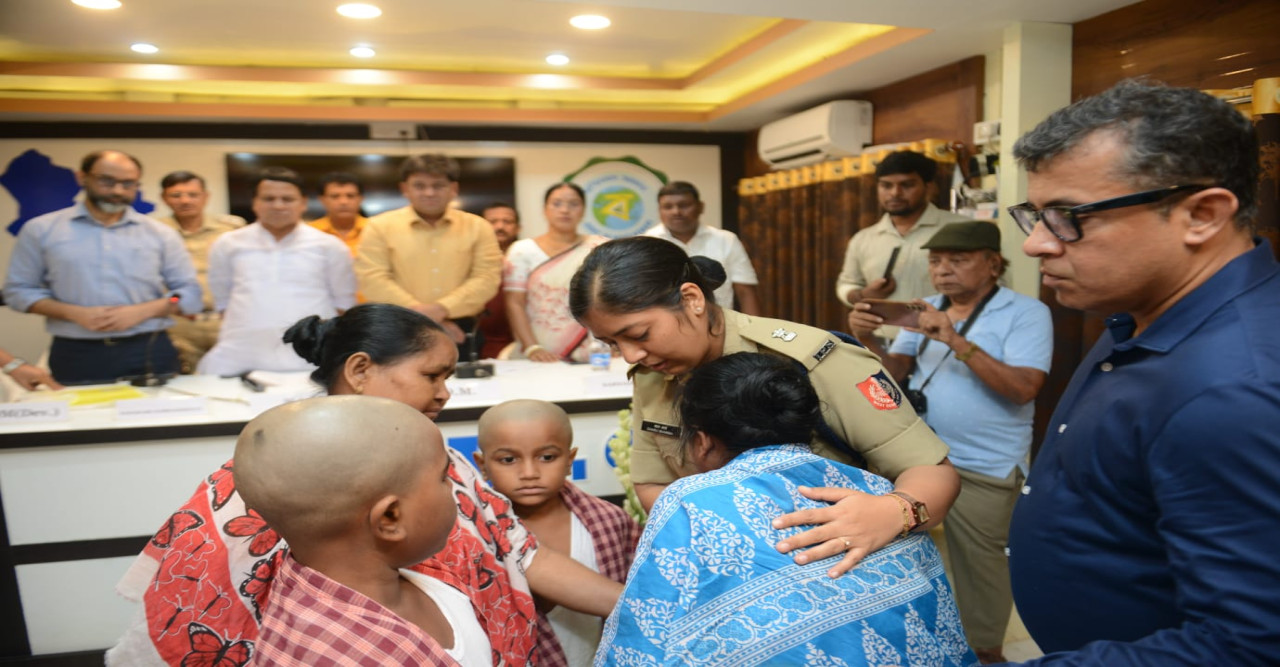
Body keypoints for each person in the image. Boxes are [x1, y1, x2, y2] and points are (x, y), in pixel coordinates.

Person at [108, 304, 621, 667]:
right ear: (359, 369)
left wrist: (636, 603)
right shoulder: (281, 471)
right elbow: (200, 611)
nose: (445, 393)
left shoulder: (434, 453)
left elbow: (517, 551)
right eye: (432, 375)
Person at [1005, 79, 1280, 664]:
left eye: (1068, 217)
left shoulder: (1233, 390)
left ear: (1201, 215)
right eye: (1036, 215)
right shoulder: (1142, 313)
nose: (1036, 246)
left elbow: (1250, 645)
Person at [570, 235, 959, 577]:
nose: (629, 354)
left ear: (691, 300)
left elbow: (932, 472)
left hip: (841, 570)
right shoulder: (653, 371)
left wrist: (893, 513)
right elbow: (654, 482)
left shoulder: (810, 361)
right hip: (729, 577)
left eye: (638, 334)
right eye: (612, 344)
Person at [597, 352, 977, 666]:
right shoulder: (879, 494)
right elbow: (941, 625)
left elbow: (641, 639)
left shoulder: (691, 499)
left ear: (701, 440)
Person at [849, 221, 1052, 664]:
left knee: (983, 572)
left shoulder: (1026, 312)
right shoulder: (925, 307)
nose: (943, 271)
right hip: (921, 460)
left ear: (993, 264)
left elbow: (1024, 389)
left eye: (958, 260)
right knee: (910, 559)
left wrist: (954, 339)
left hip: (987, 462)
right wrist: (864, 338)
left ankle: (986, 653)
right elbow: (894, 376)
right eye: (936, 261)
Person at [237, 396, 474, 665]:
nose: (454, 487)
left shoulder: (420, 578)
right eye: (443, 477)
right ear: (390, 517)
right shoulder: (337, 656)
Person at [2, 150, 202, 384]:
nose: (118, 190)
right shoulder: (41, 230)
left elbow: (188, 294)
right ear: (82, 177)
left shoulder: (160, 234)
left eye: (128, 184)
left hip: (149, 348)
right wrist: (72, 312)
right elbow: (18, 292)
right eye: (107, 181)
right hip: (76, 352)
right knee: (80, 419)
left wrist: (144, 310)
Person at [474, 399, 642, 666]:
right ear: (482, 465)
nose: (529, 473)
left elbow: (641, 596)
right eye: (508, 459)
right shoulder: (475, 540)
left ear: (570, 460)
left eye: (547, 457)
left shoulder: (609, 521)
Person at [197, 167, 356, 376]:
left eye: (287, 199)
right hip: (242, 355)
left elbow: (343, 304)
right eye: (269, 198)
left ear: (303, 203)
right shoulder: (228, 244)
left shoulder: (329, 246)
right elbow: (223, 301)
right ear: (255, 202)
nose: (278, 205)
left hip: (309, 357)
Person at [356, 154, 503, 356]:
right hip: (397, 329)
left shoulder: (478, 227)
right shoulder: (378, 227)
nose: (429, 192)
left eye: (438, 185)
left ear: (454, 189)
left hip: (461, 331)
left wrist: (441, 310)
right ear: (404, 189)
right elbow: (372, 278)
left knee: (467, 388)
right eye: (419, 185)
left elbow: (487, 278)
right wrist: (428, 319)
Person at [835, 150, 973, 340]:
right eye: (886, 185)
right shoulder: (863, 238)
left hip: (944, 341)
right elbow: (846, 283)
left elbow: (991, 286)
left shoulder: (962, 229)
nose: (895, 193)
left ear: (928, 186)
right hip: (881, 345)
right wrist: (861, 295)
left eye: (907, 185)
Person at [504, 183, 608, 362]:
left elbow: (611, 299)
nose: (565, 210)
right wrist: (532, 347)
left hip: (593, 348)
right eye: (557, 204)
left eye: (573, 204)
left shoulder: (599, 247)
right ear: (545, 210)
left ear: (583, 210)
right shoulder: (522, 250)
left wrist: (613, 341)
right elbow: (515, 303)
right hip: (539, 350)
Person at [157, 170, 247, 373]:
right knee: (182, 382)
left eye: (193, 194)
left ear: (206, 196)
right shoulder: (154, 231)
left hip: (224, 322)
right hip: (179, 325)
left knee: (231, 381)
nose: (185, 201)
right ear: (164, 198)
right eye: (176, 195)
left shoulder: (231, 228)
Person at [642, 180, 761, 315]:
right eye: (668, 207)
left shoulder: (726, 240)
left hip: (720, 325)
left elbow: (745, 291)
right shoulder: (647, 242)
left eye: (684, 205)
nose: (676, 212)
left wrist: (751, 333)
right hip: (665, 327)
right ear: (659, 210)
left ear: (701, 207)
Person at [478, 202, 519, 358]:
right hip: (484, 345)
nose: (500, 226)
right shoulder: (468, 263)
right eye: (492, 222)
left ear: (518, 228)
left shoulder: (531, 261)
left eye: (507, 221)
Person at [309, 171, 368, 258]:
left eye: (350, 196)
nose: (343, 202)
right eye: (335, 196)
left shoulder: (376, 230)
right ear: (322, 200)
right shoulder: (310, 232)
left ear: (361, 199)